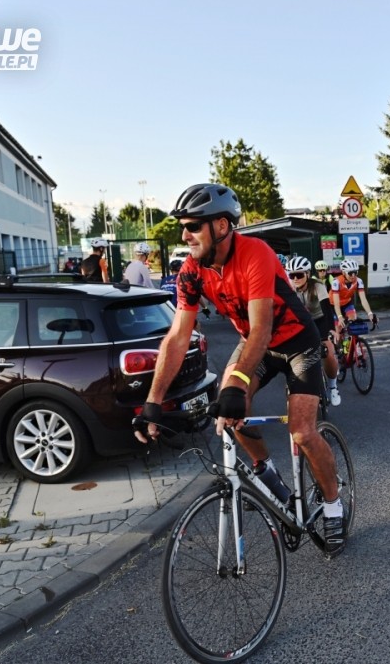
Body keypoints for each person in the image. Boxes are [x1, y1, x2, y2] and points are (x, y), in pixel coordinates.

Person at [133, 183, 348, 555]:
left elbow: (263, 327)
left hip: (297, 342)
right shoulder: (191, 271)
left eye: (192, 226)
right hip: (255, 344)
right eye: (183, 228)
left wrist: (239, 380)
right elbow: (178, 336)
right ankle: (267, 471)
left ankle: (333, 505)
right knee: (227, 412)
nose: (185, 236)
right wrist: (153, 400)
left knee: (302, 432)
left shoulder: (255, 254)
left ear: (221, 226)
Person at [286, 255, 341, 407]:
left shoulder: (318, 286)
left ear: (308, 274)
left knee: (328, 351)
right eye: (292, 275)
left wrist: (331, 329)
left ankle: (333, 387)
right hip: (301, 323)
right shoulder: (289, 289)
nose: (295, 279)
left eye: (299, 275)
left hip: (319, 320)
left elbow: (326, 308)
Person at [331, 259, 377, 332]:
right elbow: (336, 303)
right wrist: (340, 317)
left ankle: (352, 338)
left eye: (355, 273)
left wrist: (370, 313)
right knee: (338, 330)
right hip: (334, 305)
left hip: (347, 303)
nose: (353, 276)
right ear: (343, 272)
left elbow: (363, 300)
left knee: (353, 320)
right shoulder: (336, 282)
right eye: (350, 273)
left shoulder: (359, 281)